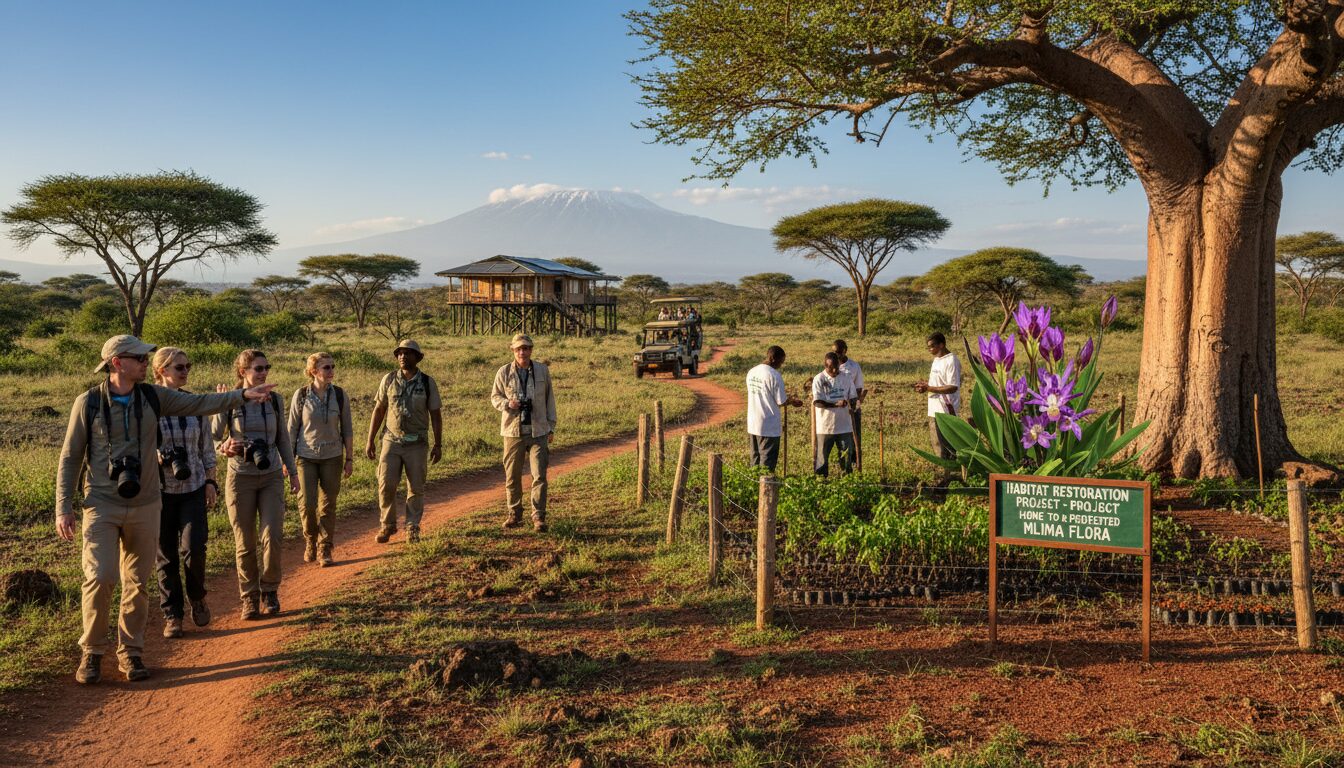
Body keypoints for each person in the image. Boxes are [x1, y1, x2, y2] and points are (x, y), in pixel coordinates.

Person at [56, 335, 276, 684]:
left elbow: (200, 403)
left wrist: (241, 395)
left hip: (146, 503)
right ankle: (92, 652)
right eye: (139, 358)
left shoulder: (152, 397)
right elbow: (70, 457)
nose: (146, 362)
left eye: (147, 358)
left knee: (137, 583)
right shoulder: (89, 403)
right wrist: (62, 507)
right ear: (117, 363)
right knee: (100, 577)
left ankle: (131, 652)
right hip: (101, 503)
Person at [213, 349, 298, 621]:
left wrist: (293, 471)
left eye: (265, 367)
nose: (263, 372)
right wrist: (224, 447)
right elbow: (212, 439)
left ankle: (270, 590)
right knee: (245, 542)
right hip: (240, 476)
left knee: (272, 535)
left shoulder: (276, 400)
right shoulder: (230, 401)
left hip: (272, 473)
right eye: (257, 368)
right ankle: (249, 597)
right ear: (243, 372)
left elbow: (283, 437)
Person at [151, 347, 218, 640]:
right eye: (179, 367)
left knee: (194, 549)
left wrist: (211, 482)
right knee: (165, 558)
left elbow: (206, 448)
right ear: (162, 370)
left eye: (187, 366)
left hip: (193, 488)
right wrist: (156, 456)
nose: (185, 371)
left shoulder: (194, 403)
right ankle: (172, 615)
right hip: (159, 492)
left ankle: (197, 595)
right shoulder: (149, 405)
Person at [366, 340, 442, 544]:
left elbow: (435, 413)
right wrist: (370, 440)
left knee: (415, 487)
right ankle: (387, 524)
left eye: (408, 353)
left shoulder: (427, 382)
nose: (403, 357)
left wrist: (438, 444)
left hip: (417, 442)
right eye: (399, 353)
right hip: (391, 440)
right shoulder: (389, 379)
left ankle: (412, 526)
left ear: (418, 358)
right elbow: (379, 410)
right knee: (386, 484)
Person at [288, 352, 354, 567]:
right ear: (313, 371)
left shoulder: (340, 395)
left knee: (328, 505)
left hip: (333, 456)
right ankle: (310, 539)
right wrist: (287, 463)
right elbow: (291, 430)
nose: (331, 371)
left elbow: (347, 430)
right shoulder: (301, 395)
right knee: (307, 504)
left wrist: (349, 458)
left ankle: (325, 547)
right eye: (326, 367)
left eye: (333, 366)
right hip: (305, 457)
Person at [491, 334, 558, 532]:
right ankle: (514, 513)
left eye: (526, 348)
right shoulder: (503, 372)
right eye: (519, 348)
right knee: (512, 476)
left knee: (539, 475)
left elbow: (549, 400)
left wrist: (551, 426)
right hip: (513, 431)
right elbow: (495, 397)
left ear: (531, 350)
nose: (523, 352)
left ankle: (538, 516)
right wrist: (507, 404)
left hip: (538, 430)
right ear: (512, 350)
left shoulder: (542, 370)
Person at [745, 345, 803, 471]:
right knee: (767, 463)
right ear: (773, 359)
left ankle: (754, 487)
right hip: (768, 425)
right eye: (781, 362)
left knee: (755, 460)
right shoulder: (774, 376)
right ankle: (765, 488)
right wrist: (792, 401)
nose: (781, 365)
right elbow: (781, 401)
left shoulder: (752, 371)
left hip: (753, 423)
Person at [913, 331, 962, 463]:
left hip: (946, 410)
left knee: (948, 445)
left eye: (932, 346)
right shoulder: (936, 360)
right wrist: (925, 386)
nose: (930, 349)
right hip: (934, 409)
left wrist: (928, 388)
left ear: (942, 345)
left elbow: (952, 387)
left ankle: (952, 474)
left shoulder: (951, 360)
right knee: (938, 445)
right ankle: (944, 473)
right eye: (928, 347)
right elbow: (937, 384)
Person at [811, 351, 857, 477]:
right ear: (826, 366)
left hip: (844, 426)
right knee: (822, 459)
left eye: (837, 366)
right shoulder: (819, 379)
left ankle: (846, 482)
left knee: (846, 457)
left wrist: (852, 403)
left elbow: (853, 396)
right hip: (825, 427)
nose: (835, 369)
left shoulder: (846, 377)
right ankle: (821, 483)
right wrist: (836, 404)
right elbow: (818, 402)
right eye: (831, 367)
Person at [833, 339, 866, 466]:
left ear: (845, 351)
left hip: (852, 405)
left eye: (838, 352)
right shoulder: (831, 365)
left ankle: (855, 462)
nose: (836, 355)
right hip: (836, 406)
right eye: (834, 352)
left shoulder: (854, 366)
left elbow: (858, 388)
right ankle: (842, 461)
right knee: (840, 436)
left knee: (855, 435)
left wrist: (854, 406)